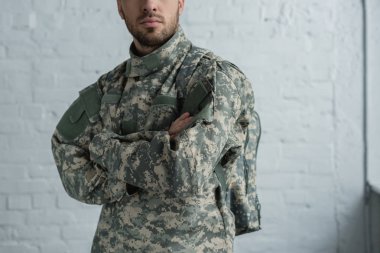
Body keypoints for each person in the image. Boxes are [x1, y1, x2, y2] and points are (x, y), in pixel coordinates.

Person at [51, 0, 260, 252]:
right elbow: (65, 149)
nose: (149, 5)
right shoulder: (109, 86)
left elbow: (184, 170)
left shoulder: (212, 78)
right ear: (120, 8)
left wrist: (104, 147)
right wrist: (129, 178)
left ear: (181, 3)